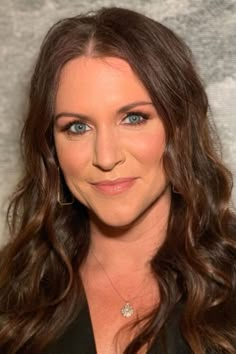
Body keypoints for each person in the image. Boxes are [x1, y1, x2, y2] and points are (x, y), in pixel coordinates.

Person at [0, 6, 235, 354]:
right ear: (51, 146)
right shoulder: (12, 293)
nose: (106, 157)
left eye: (134, 118)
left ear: (179, 129)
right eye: (77, 127)